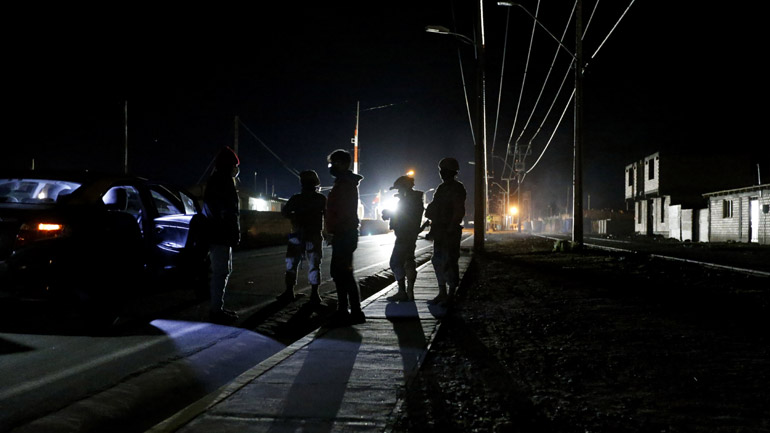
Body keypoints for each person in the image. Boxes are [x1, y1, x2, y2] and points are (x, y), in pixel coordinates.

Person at [325, 149, 366, 326]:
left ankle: (352, 311)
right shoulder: (343, 183)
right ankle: (347, 310)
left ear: (341, 164)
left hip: (344, 233)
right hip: (343, 232)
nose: (331, 167)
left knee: (343, 273)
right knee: (341, 273)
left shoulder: (345, 184)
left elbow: (342, 211)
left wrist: (334, 231)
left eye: (333, 163)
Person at [203, 146, 241, 322]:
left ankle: (217, 308)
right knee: (221, 272)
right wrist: (234, 232)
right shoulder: (224, 182)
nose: (236, 169)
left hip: (215, 233)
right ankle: (216, 311)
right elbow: (229, 212)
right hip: (221, 234)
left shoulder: (215, 180)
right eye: (235, 165)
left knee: (221, 271)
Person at [278, 170, 326, 305]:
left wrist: (295, 217)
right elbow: (327, 215)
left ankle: (289, 291)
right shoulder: (320, 199)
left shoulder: (296, 198)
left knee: (291, 264)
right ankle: (314, 294)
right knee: (314, 264)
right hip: (314, 234)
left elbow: (285, 212)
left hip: (297, 234)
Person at [424, 157, 466, 304]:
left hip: (450, 231)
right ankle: (442, 292)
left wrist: (451, 227)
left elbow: (458, 210)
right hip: (440, 230)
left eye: (444, 170)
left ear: (452, 172)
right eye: (441, 170)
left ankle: (451, 294)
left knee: (450, 261)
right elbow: (434, 208)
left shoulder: (457, 188)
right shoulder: (441, 188)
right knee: (437, 261)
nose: (441, 173)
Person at [382, 174, 424, 302]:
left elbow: (404, 217)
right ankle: (410, 291)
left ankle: (402, 291)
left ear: (405, 187)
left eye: (399, 188)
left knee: (395, 262)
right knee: (409, 260)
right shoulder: (415, 199)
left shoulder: (408, 201)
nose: (398, 191)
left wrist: (389, 214)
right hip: (410, 235)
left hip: (404, 235)